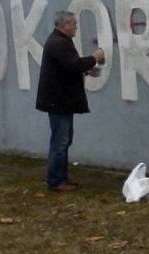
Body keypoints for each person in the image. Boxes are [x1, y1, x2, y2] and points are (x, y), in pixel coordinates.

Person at [36, 10, 105, 192]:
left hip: (59, 100)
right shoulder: (59, 43)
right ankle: (56, 180)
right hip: (58, 101)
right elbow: (72, 64)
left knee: (63, 140)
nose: (76, 26)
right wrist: (94, 58)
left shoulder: (59, 41)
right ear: (65, 25)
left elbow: (66, 67)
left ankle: (61, 178)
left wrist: (84, 70)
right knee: (60, 141)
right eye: (74, 23)